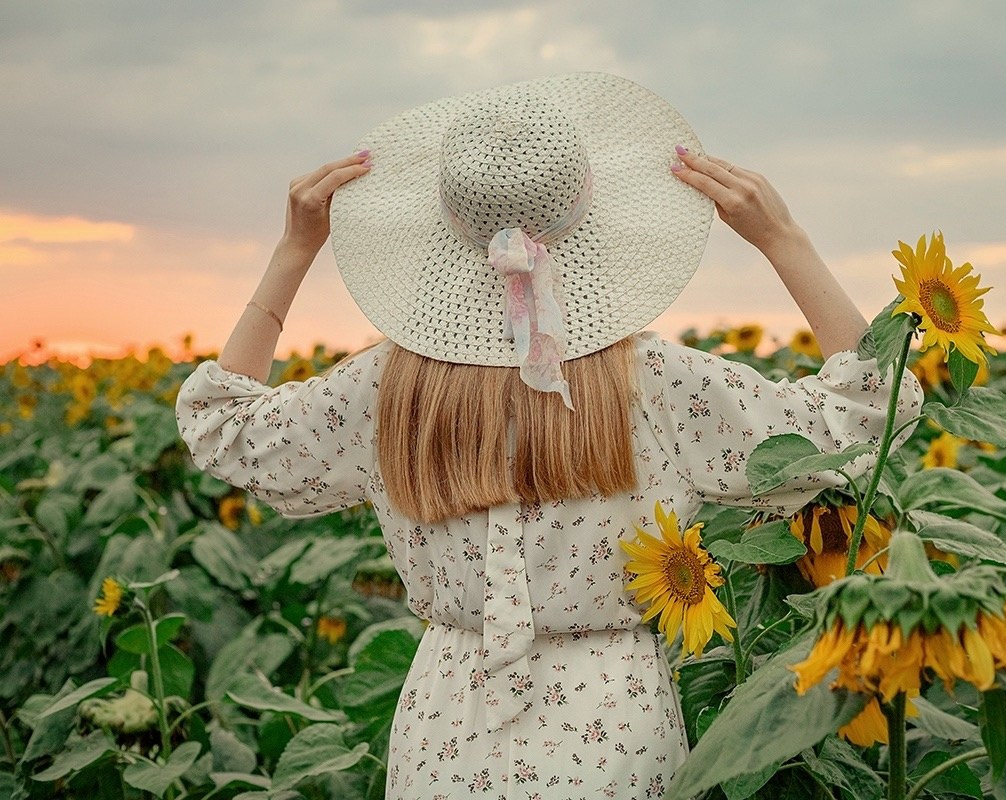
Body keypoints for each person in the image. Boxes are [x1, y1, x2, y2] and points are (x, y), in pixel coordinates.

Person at [176, 72, 923, 800]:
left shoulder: (384, 388)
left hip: (445, 732)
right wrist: (783, 239)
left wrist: (293, 251)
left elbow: (220, 427)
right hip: (613, 723)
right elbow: (865, 414)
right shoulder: (655, 381)